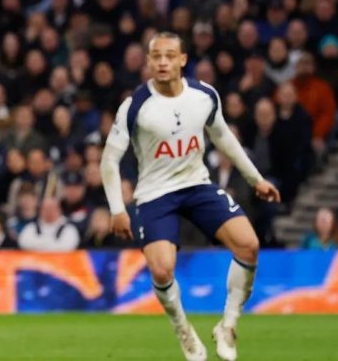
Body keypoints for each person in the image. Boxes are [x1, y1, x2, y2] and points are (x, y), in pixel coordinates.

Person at [100, 32, 281, 361]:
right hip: (155, 194)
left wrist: (255, 179)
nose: (163, 62)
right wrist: (117, 209)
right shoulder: (136, 105)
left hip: (197, 184)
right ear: (149, 61)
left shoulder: (204, 96)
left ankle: (228, 325)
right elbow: (109, 159)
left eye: (170, 56)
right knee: (162, 270)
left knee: (249, 245)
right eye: (156, 57)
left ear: (183, 60)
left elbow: (223, 136)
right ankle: (184, 330)